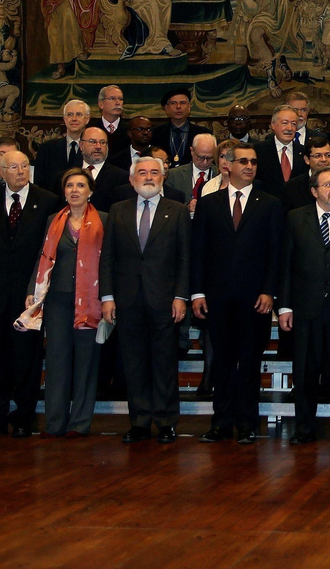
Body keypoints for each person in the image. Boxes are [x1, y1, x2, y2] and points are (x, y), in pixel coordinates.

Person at [191, 145, 281, 445]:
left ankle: (247, 424)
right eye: (243, 161)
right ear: (227, 165)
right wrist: (197, 292)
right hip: (217, 297)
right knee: (222, 362)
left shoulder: (269, 203)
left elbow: (275, 252)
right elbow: (199, 251)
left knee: (250, 361)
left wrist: (269, 291)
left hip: (255, 298)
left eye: (253, 161)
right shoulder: (209, 203)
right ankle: (221, 423)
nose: (249, 166)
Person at [100, 156, 191, 444]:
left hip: (165, 300)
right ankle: (139, 421)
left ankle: (165, 422)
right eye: (142, 172)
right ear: (132, 179)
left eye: (154, 172)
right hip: (127, 300)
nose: (148, 177)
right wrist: (107, 297)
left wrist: (181, 296)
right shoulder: (118, 210)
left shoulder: (177, 210)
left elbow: (185, 258)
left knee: (164, 364)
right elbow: (108, 257)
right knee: (134, 364)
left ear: (163, 178)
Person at [0, 148, 60, 437]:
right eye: (13, 167)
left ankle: (24, 418)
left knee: (26, 359)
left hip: (28, 296)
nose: (20, 172)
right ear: (1, 170)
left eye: (24, 166)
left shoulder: (47, 201)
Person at [282, 167, 330, 445]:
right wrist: (285, 307)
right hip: (306, 308)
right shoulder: (295, 218)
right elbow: (286, 264)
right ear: (314, 191)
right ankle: (304, 427)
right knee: (305, 372)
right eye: (328, 185)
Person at [23, 168, 105, 437]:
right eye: (70, 185)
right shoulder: (53, 220)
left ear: (90, 191)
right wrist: (32, 291)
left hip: (90, 301)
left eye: (80, 185)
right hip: (58, 299)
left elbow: (110, 261)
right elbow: (42, 256)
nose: (74, 190)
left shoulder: (105, 220)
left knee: (86, 363)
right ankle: (55, 423)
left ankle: (79, 423)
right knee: (57, 361)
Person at [35, 99, 92, 192]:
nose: (74, 118)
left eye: (79, 114)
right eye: (70, 114)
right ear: (64, 119)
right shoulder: (46, 149)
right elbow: (39, 185)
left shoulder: (93, 149)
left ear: (87, 119)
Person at [255, 105, 307, 199]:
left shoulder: (304, 152)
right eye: (285, 123)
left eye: (293, 124)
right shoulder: (258, 150)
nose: (289, 128)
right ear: (273, 125)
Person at [151, 87, 212, 169]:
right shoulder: (156, 133)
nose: (178, 106)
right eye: (173, 103)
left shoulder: (203, 133)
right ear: (166, 108)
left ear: (189, 107)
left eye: (182, 103)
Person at [78, 126, 130, 213]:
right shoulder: (67, 175)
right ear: (81, 145)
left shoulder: (121, 177)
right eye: (92, 142)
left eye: (102, 142)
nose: (98, 146)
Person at [169, 133, 219, 214]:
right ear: (192, 151)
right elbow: (168, 206)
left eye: (210, 158)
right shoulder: (173, 175)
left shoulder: (220, 175)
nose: (205, 162)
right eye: (200, 157)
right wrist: (186, 207)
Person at [92, 84, 131, 153]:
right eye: (112, 98)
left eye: (120, 99)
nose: (118, 103)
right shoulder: (91, 129)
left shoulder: (130, 130)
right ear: (101, 104)